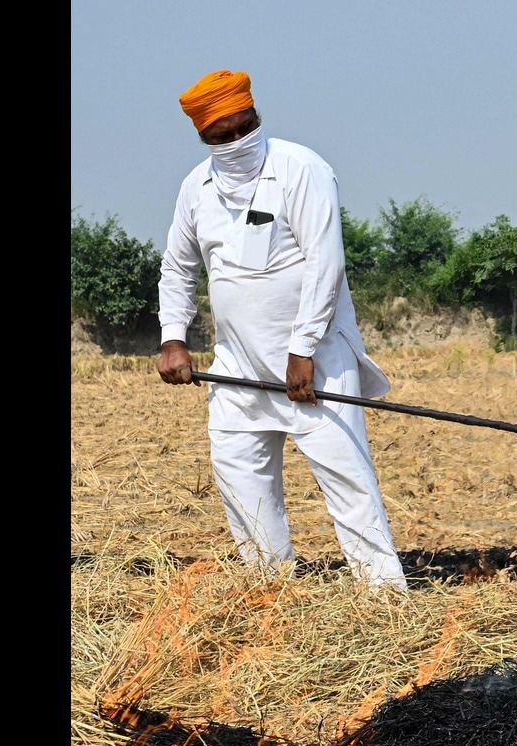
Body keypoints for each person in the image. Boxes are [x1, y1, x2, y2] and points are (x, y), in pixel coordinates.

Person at [156, 69, 407, 592]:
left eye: (244, 127)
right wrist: (173, 337)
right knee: (241, 483)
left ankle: (385, 601)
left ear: (258, 117)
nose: (236, 142)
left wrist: (302, 349)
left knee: (348, 484)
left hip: (315, 365)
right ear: (203, 137)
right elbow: (178, 268)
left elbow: (325, 262)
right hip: (237, 371)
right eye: (220, 136)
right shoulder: (195, 188)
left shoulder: (301, 168)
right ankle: (271, 596)